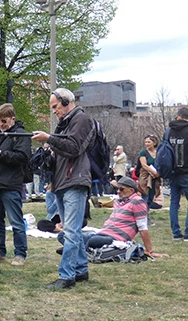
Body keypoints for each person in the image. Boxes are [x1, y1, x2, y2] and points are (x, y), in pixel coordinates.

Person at [32, 88, 95, 289]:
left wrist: (49, 138)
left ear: (67, 101)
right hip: (61, 183)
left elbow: (75, 148)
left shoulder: (82, 120)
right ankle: (81, 270)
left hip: (75, 182)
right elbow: (62, 151)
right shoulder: (63, 124)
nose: (53, 111)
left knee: (72, 231)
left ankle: (66, 276)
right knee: (70, 230)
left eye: (55, 106)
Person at [57, 177, 166, 258]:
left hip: (115, 238)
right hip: (102, 233)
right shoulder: (118, 201)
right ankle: (77, 250)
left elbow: (142, 227)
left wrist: (149, 251)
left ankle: (73, 251)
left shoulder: (138, 202)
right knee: (63, 235)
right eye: (117, 189)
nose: (118, 192)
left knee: (92, 240)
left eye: (121, 189)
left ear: (131, 190)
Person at [0, 103, 31, 267]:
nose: (1, 124)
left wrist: (1, 154)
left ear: (12, 118)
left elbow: (23, 156)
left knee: (16, 222)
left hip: (10, 184)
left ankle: (20, 253)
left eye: (4, 121)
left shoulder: (20, 134)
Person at [168, 106, 188, 240]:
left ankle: (176, 233)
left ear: (178, 116)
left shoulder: (168, 131)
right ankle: (187, 233)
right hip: (186, 172)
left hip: (172, 172)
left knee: (174, 203)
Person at [137, 134, 161, 211]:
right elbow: (144, 165)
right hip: (146, 178)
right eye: (146, 142)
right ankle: (143, 216)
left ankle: (147, 213)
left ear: (154, 143)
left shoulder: (158, 153)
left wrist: (158, 174)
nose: (147, 144)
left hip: (155, 178)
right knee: (145, 196)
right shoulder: (143, 153)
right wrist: (154, 172)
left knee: (151, 196)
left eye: (149, 142)